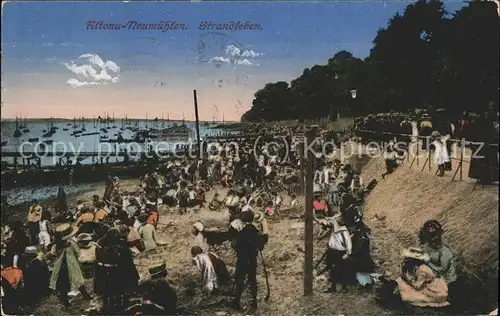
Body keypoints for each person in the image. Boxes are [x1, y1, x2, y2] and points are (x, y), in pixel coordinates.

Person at [95, 228, 139, 313]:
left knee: (108, 294)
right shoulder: (120, 247)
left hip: (105, 274)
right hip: (116, 274)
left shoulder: (101, 245)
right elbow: (129, 265)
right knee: (118, 293)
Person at [48, 223, 91, 308]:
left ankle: (66, 302)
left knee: (63, 283)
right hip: (72, 265)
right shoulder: (71, 244)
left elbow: (52, 254)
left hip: (60, 267)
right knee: (78, 280)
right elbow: (77, 253)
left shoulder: (56, 246)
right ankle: (86, 296)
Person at [418, 220, 457, 305]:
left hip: (447, 281)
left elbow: (442, 269)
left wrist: (428, 263)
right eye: (432, 240)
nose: (435, 242)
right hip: (433, 277)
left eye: (437, 239)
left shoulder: (445, 252)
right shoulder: (426, 248)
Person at [232, 211, 263, 311]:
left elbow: (235, 245)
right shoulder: (256, 232)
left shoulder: (241, 233)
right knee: (252, 280)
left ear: (243, 221)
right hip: (252, 260)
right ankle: (254, 302)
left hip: (242, 260)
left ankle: (236, 302)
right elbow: (261, 246)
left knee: (239, 281)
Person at [324, 214, 352, 293]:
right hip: (332, 252)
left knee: (342, 269)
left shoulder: (344, 231)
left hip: (340, 252)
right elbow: (327, 221)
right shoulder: (334, 230)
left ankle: (344, 288)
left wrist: (348, 253)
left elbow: (348, 243)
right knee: (332, 270)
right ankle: (333, 288)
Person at [351, 222, 374, 290]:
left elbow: (359, 249)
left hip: (362, 258)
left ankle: (365, 284)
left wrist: (351, 253)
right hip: (363, 257)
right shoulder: (360, 236)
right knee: (362, 273)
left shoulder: (362, 238)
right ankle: (364, 283)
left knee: (362, 272)